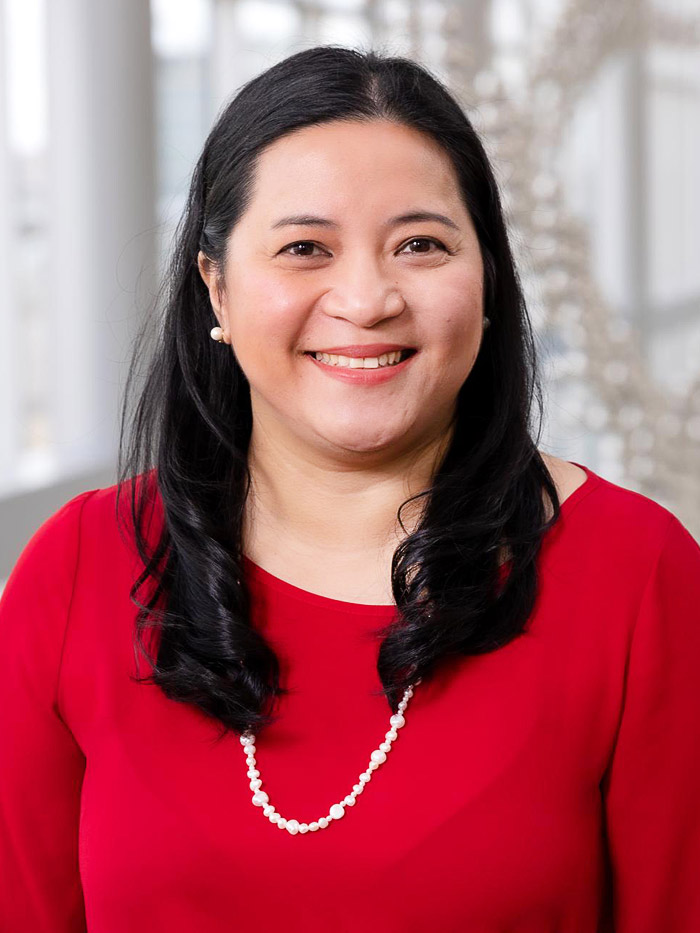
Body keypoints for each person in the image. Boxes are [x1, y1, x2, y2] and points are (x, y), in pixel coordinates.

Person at [1, 44, 699, 933]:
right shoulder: (77, 571)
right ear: (216, 286)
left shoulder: (638, 575)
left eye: (420, 244)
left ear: (486, 280)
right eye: (304, 248)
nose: (366, 299)